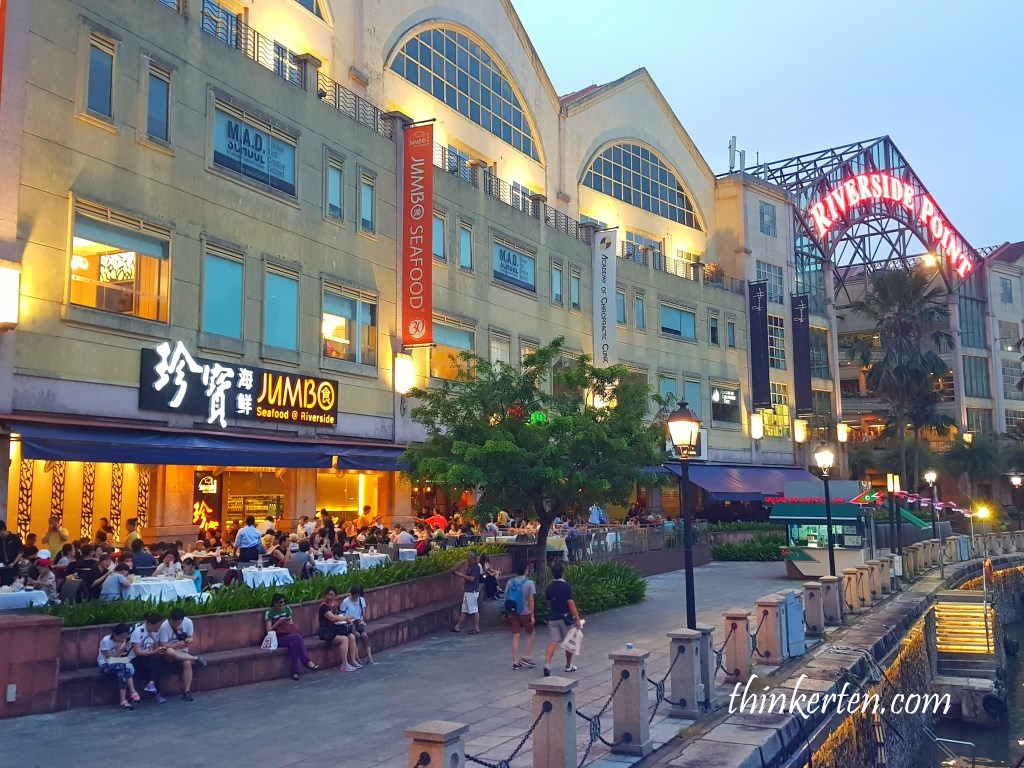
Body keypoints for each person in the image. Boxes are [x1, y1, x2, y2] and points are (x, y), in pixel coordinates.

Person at [264, 594, 318, 680]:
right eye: (280, 603)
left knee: (294, 644)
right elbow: (269, 630)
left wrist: (286, 621)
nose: (282, 605)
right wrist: (278, 622)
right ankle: (307, 662)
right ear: (275, 603)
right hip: (277, 637)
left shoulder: (287, 609)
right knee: (297, 637)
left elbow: (291, 625)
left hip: (288, 635)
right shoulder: (270, 612)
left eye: (283, 603)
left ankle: (295, 672)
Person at [158, 608, 207, 701]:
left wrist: (188, 641)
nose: (176, 625)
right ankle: (195, 658)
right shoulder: (164, 626)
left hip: (183, 651)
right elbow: (163, 645)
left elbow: (191, 638)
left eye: (178, 623)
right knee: (169, 651)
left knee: (187, 663)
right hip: (169, 651)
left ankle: (187, 690)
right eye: (174, 623)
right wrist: (176, 645)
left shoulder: (188, 622)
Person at [543, 564, 582, 676]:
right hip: (565, 619)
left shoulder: (549, 587)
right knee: (569, 642)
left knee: (553, 641)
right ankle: (569, 665)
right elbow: (570, 603)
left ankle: (547, 663)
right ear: (563, 573)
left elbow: (549, 603)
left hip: (553, 618)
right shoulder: (566, 587)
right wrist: (577, 618)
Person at [97, 623, 140, 710]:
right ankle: (133, 692)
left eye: (124, 637)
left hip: (120, 665)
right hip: (105, 665)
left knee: (123, 671)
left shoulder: (126, 641)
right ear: (115, 634)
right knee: (125, 668)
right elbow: (110, 660)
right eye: (121, 637)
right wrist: (121, 649)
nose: (123, 639)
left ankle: (123, 700)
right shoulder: (106, 641)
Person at [318, 587, 360, 672]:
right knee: (344, 639)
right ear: (325, 595)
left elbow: (339, 614)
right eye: (329, 594)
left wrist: (347, 618)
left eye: (332, 595)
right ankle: (344, 664)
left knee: (351, 636)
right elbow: (332, 618)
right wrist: (345, 618)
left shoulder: (336, 604)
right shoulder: (324, 607)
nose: (330, 596)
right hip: (326, 630)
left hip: (335, 628)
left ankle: (353, 660)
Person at [505, 563, 537, 670]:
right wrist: (532, 615)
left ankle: (515, 661)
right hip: (525, 612)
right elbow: (531, 600)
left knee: (516, 635)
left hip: (513, 612)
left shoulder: (510, 581)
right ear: (526, 570)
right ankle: (526, 657)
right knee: (531, 632)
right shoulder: (529, 583)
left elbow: (506, 596)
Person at [131, 612, 168, 703]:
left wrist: (159, 650)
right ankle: (156, 693)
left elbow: (155, 646)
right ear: (149, 624)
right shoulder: (138, 631)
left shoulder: (157, 632)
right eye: (156, 626)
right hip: (136, 659)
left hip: (150, 658)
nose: (158, 628)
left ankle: (151, 684)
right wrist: (153, 652)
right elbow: (137, 651)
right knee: (155, 667)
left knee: (157, 663)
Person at [340, 585, 376, 665]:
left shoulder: (361, 600)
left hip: (358, 621)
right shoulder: (346, 601)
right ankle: (356, 658)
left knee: (364, 636)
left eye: (358, 595)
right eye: (355, 594)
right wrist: (348, 619)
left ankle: (369, 657)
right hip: (350, 622)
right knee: (356, 636)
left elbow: (363, 612)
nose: (357, 596)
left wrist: (362, 620)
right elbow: (342, 613)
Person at [451, 550, 483, 634]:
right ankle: (457, 626)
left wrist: (460, 575)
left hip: (472, 591)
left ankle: (476, 628)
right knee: (464, 610)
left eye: (468, 555)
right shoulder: (469, 565)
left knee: (474, 610)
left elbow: (472, 579)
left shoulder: (476, 567)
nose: (466, 556)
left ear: (471, 557)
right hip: (468, 590)